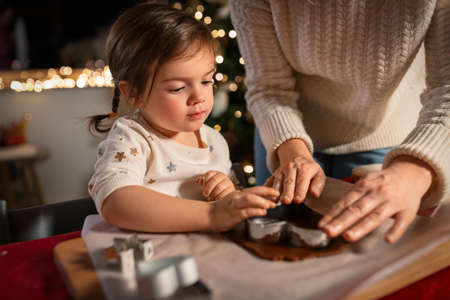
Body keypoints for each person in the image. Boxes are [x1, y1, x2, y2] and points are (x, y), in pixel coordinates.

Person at [230, 0, 449, 243]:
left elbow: (446, 89)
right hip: (284, 137)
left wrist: (413, 172)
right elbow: (268, 88)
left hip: (394, 142)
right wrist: (294, 154)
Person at [88, 2, 279, 233]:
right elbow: (115, 202)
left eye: (207, 81)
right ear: (134, 93)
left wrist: (228, 194)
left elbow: (230, 209)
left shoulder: (214, 142)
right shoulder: (132, 140)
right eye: (178, 88)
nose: (199, 96)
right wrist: (212, 213)